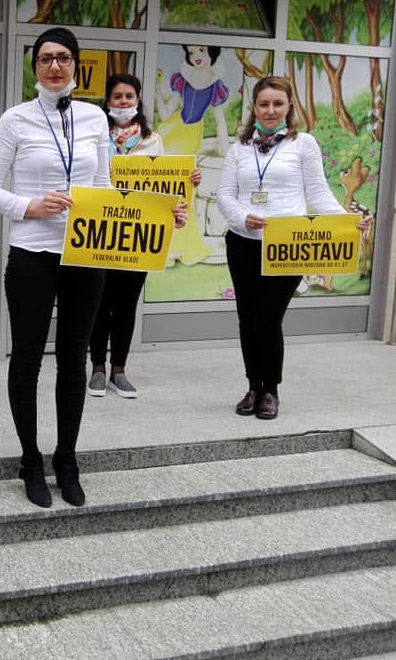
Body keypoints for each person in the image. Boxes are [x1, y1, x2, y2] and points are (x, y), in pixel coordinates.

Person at [0, 28, 111, 508]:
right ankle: (31, 462)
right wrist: (29, 206)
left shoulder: (95, 118)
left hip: (84, 254)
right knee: (28, 360)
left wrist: (160, 211)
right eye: (45, 59)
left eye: (63, 58)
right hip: (32, 254)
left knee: (74, 360)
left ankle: (67, 460)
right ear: (35, 67)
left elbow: (105, 186)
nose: (55, 66)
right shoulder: (15, 120)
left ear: (76, 65)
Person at [218, 76, 372, 420]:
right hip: (243, 243)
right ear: (254, 107)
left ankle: (270, 390)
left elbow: (318, 191)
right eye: (264, 104)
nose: (270, 110)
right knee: (247, 318)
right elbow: (225, 195)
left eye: (278, 104)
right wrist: (242, 217)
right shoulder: (239, 148)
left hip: (286, 245)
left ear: (289, 106)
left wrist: (347, 220)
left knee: (269, 319)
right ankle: (252, 387)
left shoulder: (303, 144)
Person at [89, 73, 199, 399]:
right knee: (99, 304)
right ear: (108, 101)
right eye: (117, 97)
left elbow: (162, 185)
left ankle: (119, 370)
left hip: (138, 234)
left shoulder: (153, 141)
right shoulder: (95, 137)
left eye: (129, 97)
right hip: (102, 230)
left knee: (126, 305)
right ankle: (97, 368)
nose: (123, 102)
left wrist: (187, 181)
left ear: (138, 101)